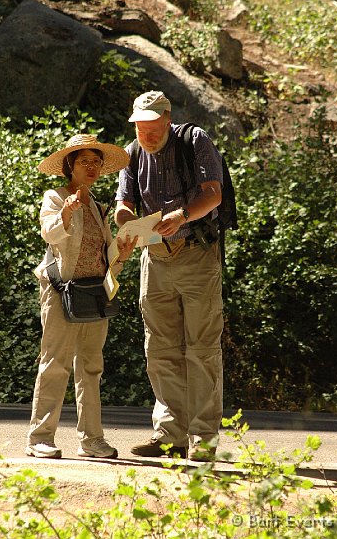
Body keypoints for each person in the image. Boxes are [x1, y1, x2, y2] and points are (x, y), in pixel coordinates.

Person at [115, 91, 224, 461]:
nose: (146, 135)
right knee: (159, 349)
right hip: (155, 259)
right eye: (140, 128)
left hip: (196, 254)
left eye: (152, 128)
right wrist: (127, 225)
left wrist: (182, 215)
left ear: (167, 118)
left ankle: (203, 439)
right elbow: (123, 203)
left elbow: (213, 195)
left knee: (202, 348)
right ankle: (169, 435)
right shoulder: (132, 151)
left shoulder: (195, 140)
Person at [26, 134, 137, 459]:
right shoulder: (56, 197)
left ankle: (92, 441)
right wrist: (65, 213)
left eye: (96, 161)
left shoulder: (100, 207)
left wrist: (123, 252)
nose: (91, 167)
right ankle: (39, 439)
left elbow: (105, 257)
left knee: (91, 367)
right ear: (69, 166)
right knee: (55, 364)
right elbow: (49, 232)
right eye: (84, 161)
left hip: (94, 292)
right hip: (61, 290)